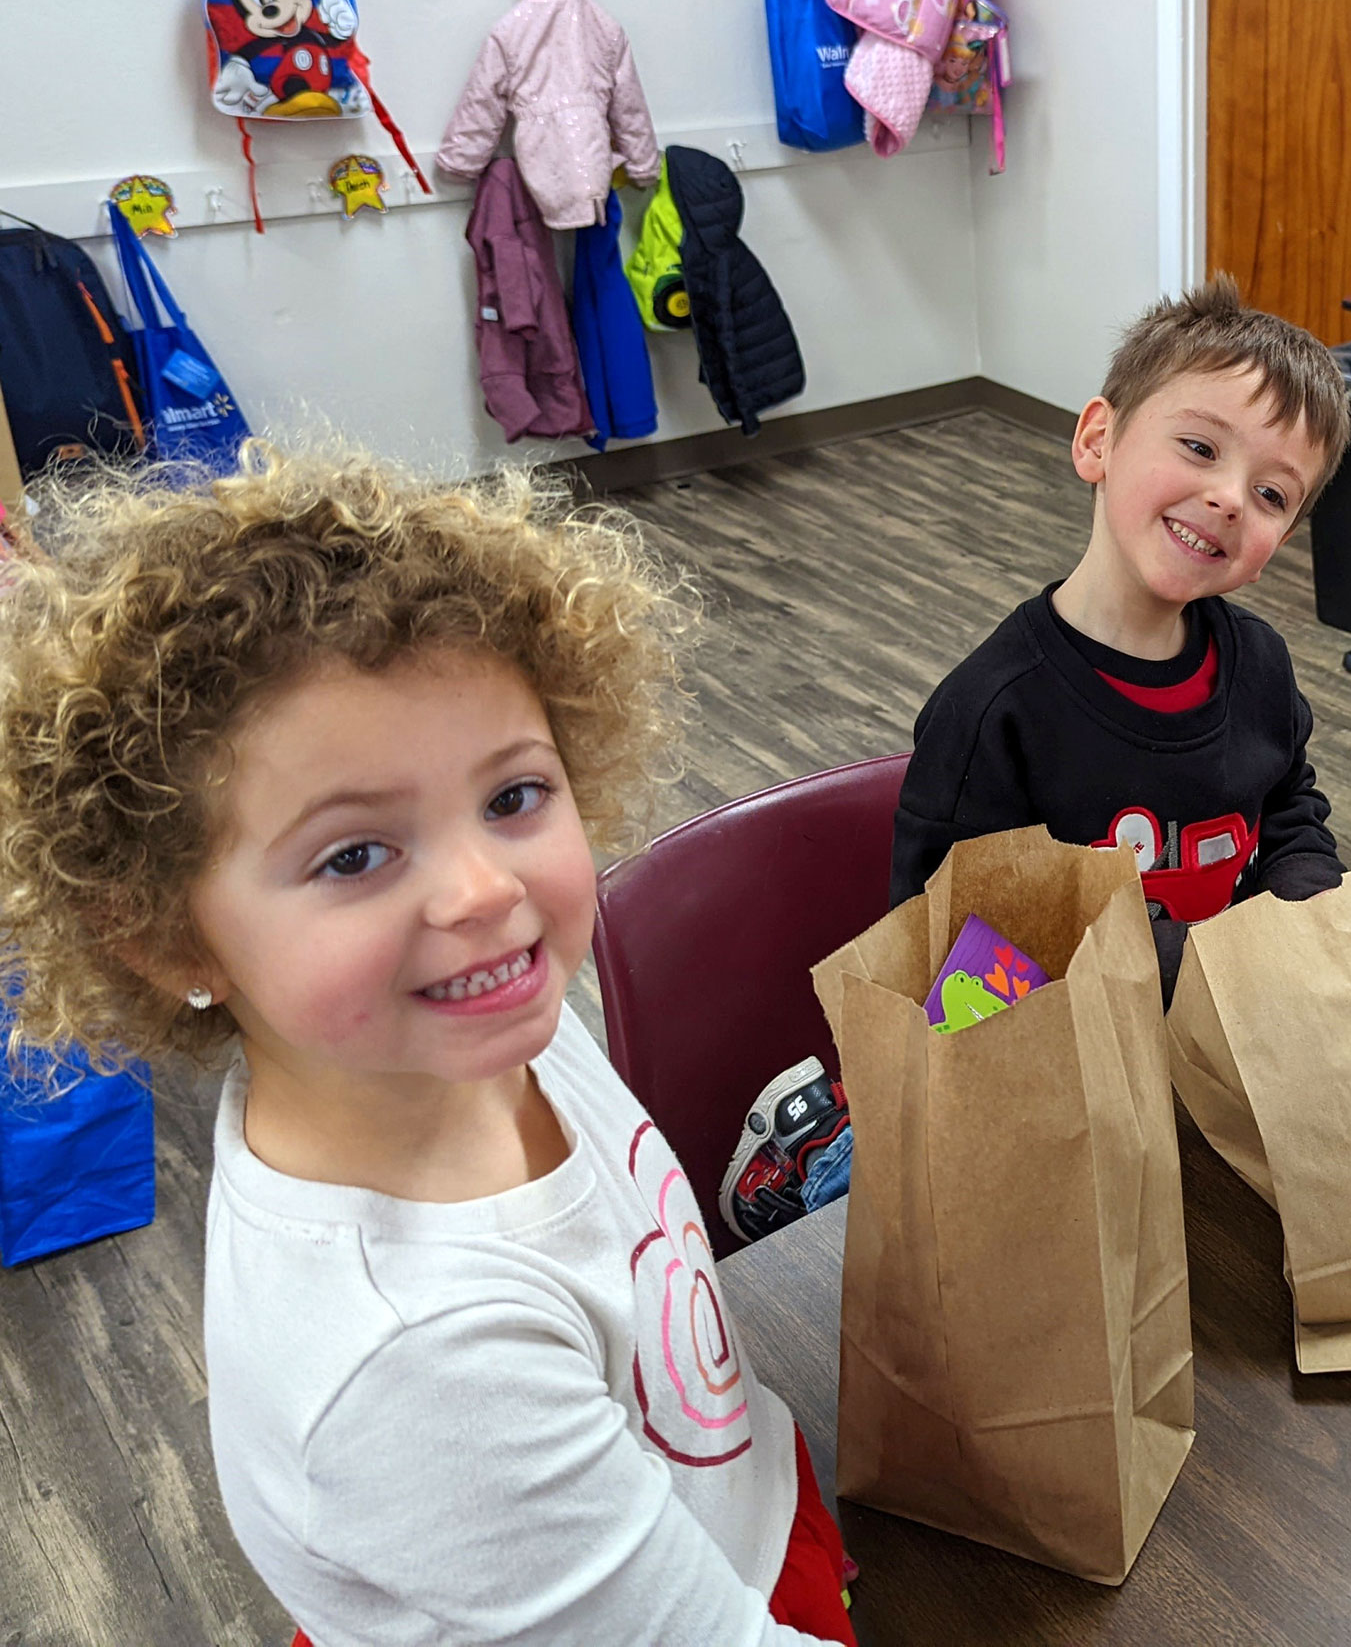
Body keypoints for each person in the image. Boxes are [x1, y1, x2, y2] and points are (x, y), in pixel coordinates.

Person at [0, 446, 855, 1647]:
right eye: (353, 854)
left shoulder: (469, 1030)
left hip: (706, 1512)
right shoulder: (418, 1373)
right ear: (157, 935)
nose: (481, 887)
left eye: (512, 796)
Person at [887, 276, 1351, 1000]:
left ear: (1281, 541)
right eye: (1200, 447)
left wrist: (1303, 910)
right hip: (1061, 1070)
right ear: (1098, 441)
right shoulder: (993, 710)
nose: (1230, 498)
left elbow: (1291, 809)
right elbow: (953, 943)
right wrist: (1189, 967)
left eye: (1270, 495)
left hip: (1224, 1038)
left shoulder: (1260, 665)